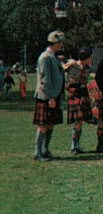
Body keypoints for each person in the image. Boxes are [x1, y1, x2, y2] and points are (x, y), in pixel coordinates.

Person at [32, 31, 65, 161]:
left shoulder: (53, 56)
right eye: (60, 43)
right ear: (55, 43)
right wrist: (50, 97)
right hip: (46, 96)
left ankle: (45, 150)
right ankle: (37, 152)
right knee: (43, 125)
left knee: (50, 124)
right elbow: (45, 79)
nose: (61, 45)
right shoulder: (45, 57)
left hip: (54, 95)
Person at [64, 48, 93, 154]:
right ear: (85, 58)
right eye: (90, 57)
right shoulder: (73, 65)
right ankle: (73, 146)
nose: (91, 59)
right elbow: (62, 72)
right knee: (77, 121)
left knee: (80, 121)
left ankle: (76, 144)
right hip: (75, 94)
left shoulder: (87, 68)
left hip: (83, 93)